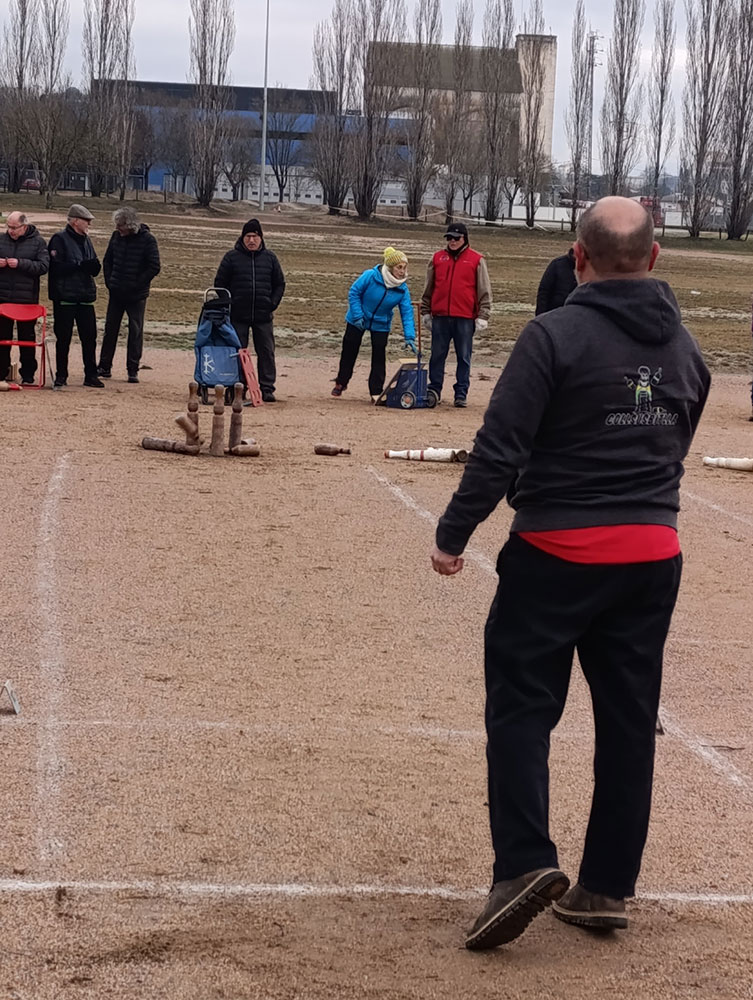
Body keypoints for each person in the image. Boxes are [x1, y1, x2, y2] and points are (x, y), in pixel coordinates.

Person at [430, 197, 710, 950]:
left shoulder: (551, 336)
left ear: (576, 259)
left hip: (557, 555)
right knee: (628, 726)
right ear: (653, 258)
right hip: (652, 557)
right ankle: (604, 888)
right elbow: (674, 443)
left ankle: (523, 864)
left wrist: (454, 532)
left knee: (520, 709)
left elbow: (499, 446)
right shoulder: (686, 350)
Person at [420, 221, 492, 408]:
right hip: (441, 316)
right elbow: (429, 287)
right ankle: (433, 390)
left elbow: (484, 289)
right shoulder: (437, 258)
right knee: (437, 355)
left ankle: (461, 393)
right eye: (449, 238)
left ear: (464, 238)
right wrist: (426, 311)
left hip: (465, 317)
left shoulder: (476, 260)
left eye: (456, 238)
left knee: (464, 357)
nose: (452, 241)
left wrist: (483, 315)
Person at [214, 219, 285, 403]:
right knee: (237, 352)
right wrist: (228, 305)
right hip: (238, 316)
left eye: (255, 236)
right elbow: (219, 284)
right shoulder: (231, 257)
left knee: (267, 352)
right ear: (242, 237)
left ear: (261, 238)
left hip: (263, 315)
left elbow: (280, 283)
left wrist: (272, 303)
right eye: (248, 236)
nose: (251, 240)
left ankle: (267, 388)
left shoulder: (270, 258)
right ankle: (238, 387)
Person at [331, 247, 416, 401]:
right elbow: (354, 292)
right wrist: (357, 315)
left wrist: (409, 336)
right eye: (399, 267)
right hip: (358, 319)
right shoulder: (370, 276)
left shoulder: (402, 289)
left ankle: (376, 392)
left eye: (404, 267)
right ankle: (341, 382)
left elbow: (407, 312)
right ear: (390, 268)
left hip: (381, 323)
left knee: (379, 356)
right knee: (349, 350)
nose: (402, 271)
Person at [97, 206, 161, 384]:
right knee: (110, 329)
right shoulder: (116, 237)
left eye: (120, 226)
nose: (117, 229)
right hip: (116, 292)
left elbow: (154, 266)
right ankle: (104, 366)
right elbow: (107, 260)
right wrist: (110, 282)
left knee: (135, 330)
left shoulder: (148, 240)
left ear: (130, 225)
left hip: (136, 295)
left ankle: (133, 369)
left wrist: (136, 284)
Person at [48, 204, 103, 388]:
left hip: (85, 296)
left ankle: (91, 375)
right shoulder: (59, 239)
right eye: (86, 220)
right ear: (75, 221)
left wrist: (94, 266)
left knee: (90, 337)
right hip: (65, 296)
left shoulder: (87, 240)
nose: (89, 224)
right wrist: (80, 265)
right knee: (63, 338)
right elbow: (56, 268)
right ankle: (61, 375)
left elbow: (92, 263)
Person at [0, 211, 49, 384]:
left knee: (26, 337)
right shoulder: (1, 239)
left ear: (24, 226)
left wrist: (21, 263)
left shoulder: (38, 242)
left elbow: (44, 266)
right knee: (2, 337)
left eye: (15, 228)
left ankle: (28, 373)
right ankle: (1, 371)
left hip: (26, 299)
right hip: (3, 298)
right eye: (9, 227)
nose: (11, 231)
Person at [535, 247, 577, 315]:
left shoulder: (591, 268)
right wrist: (541, 316)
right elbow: (544, 291)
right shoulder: (557, 264)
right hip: (554, 314)